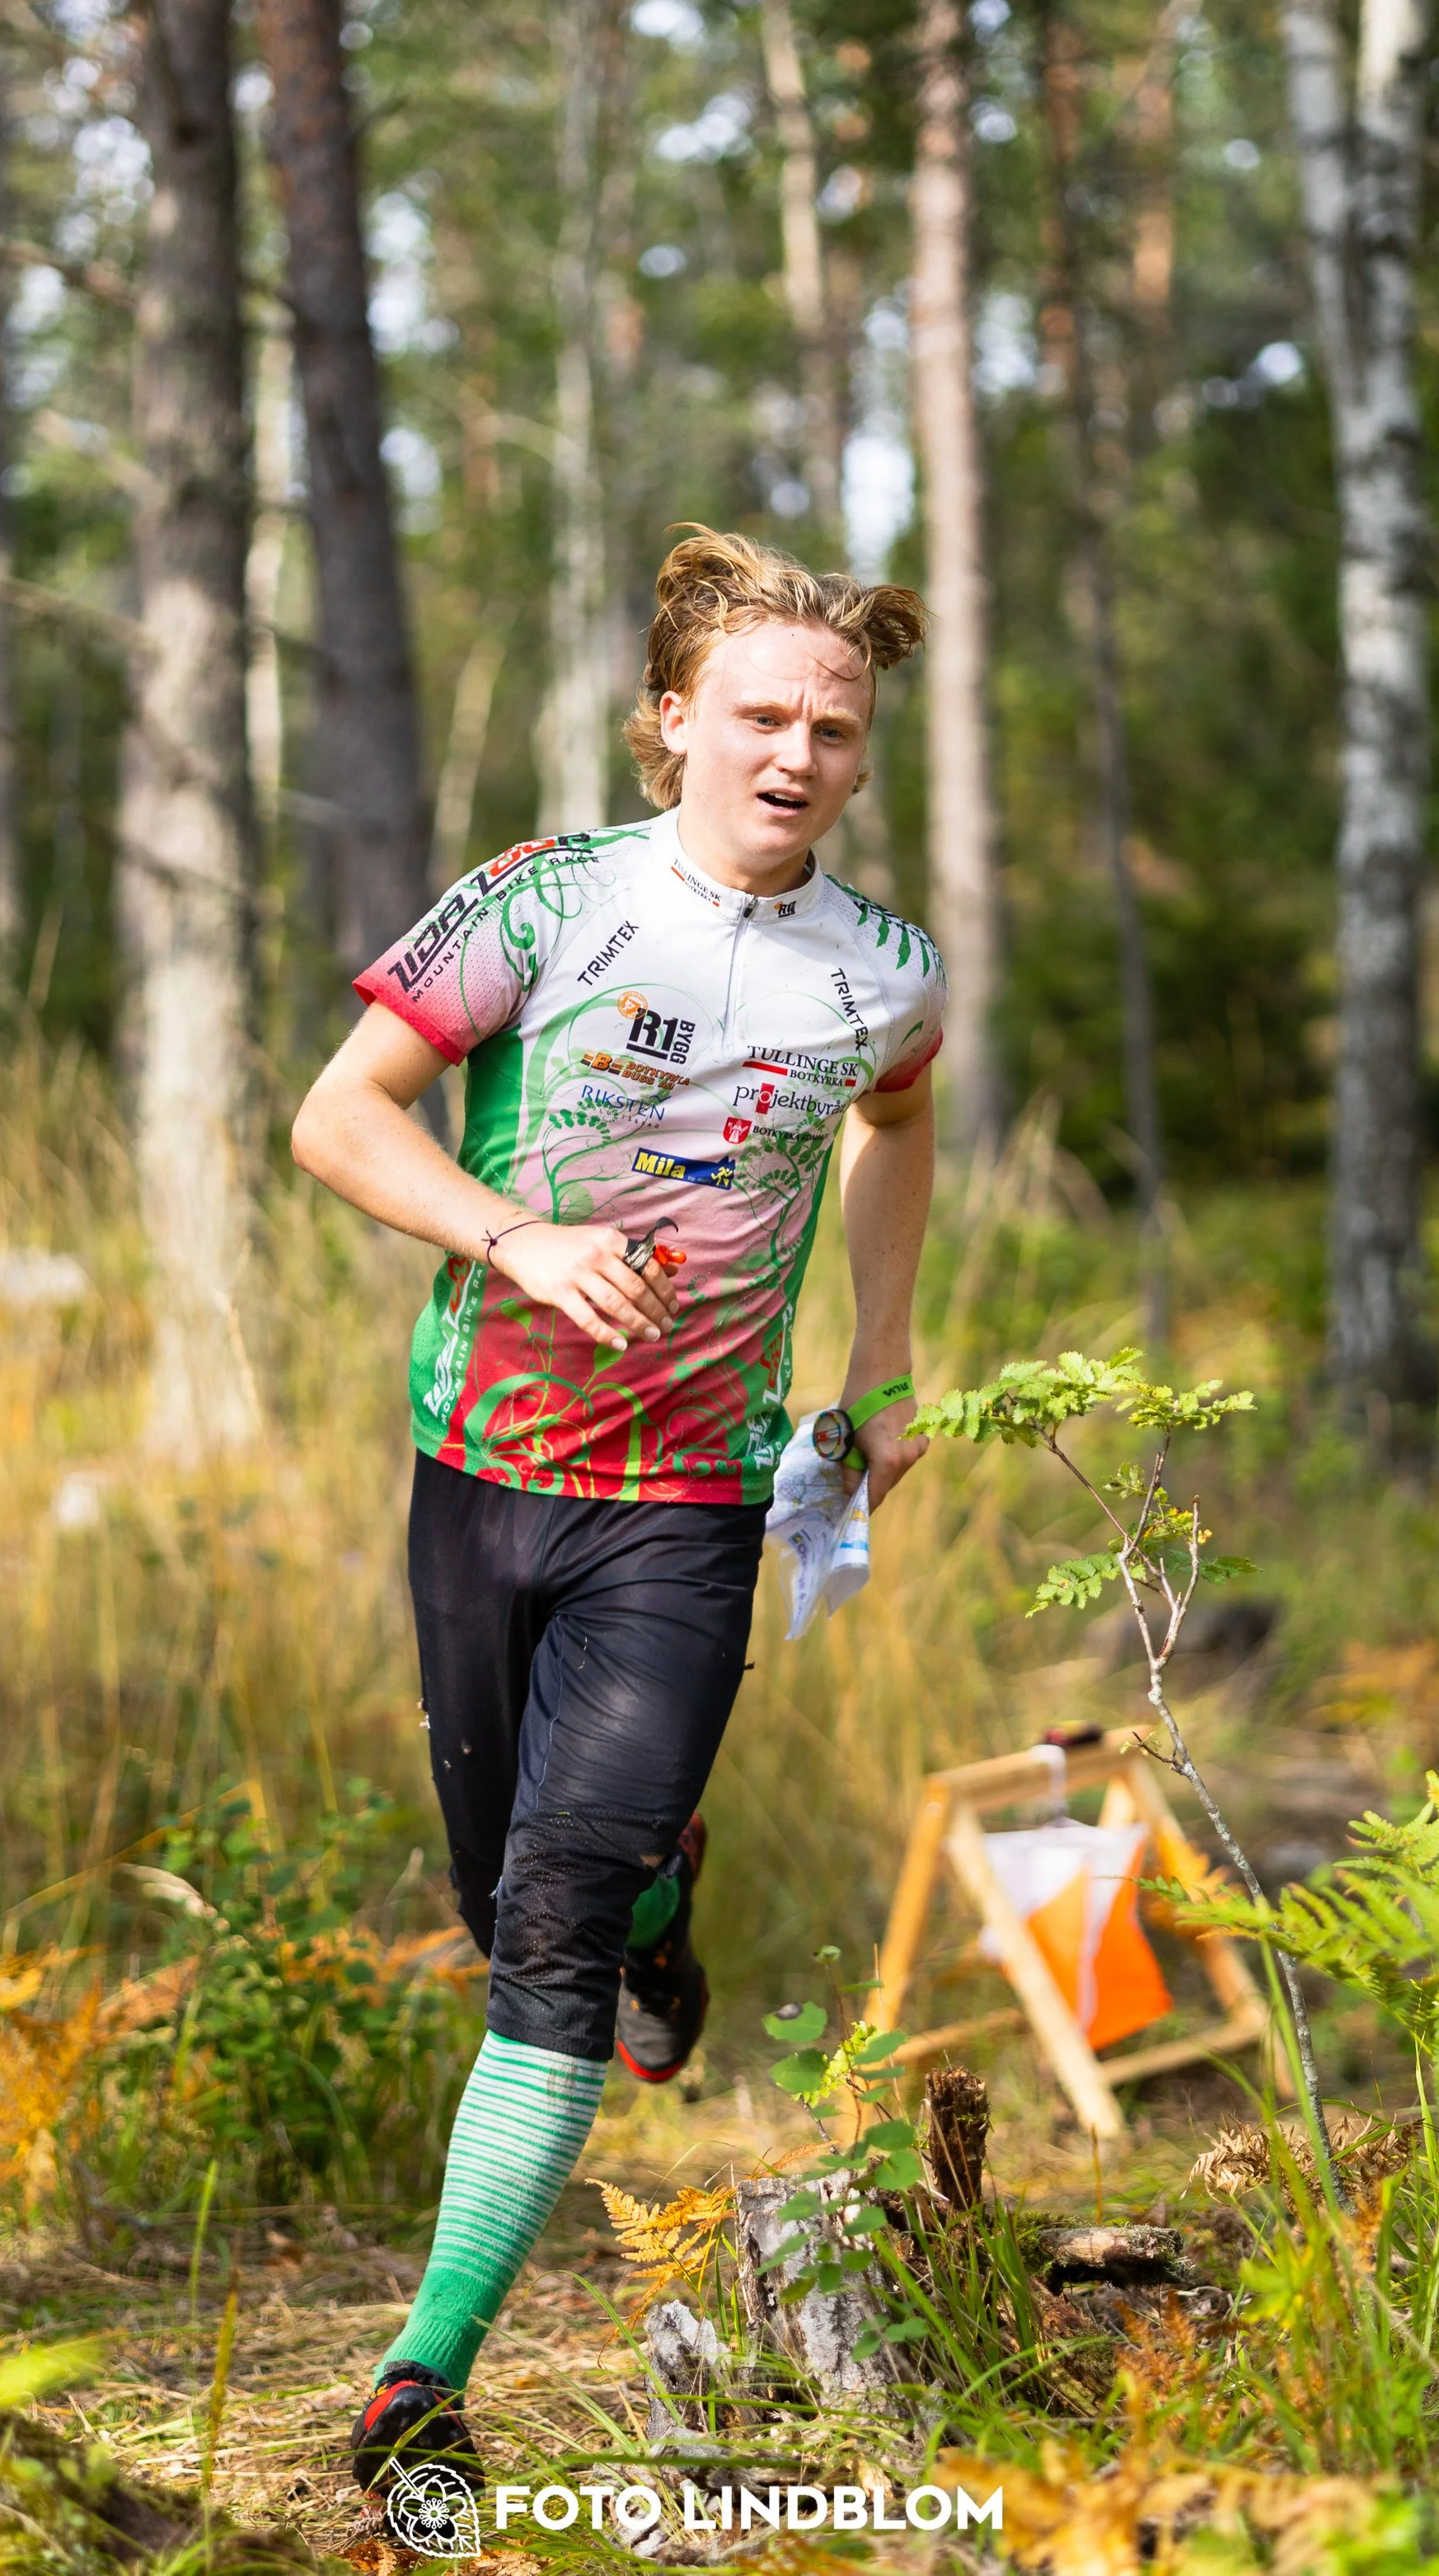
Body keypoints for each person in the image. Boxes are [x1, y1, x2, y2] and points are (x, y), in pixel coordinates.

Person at [290, 526, 945, 2489]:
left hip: (688, 1497)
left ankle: (423, 2374)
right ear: (672, 722)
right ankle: (662, 1894)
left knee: (541, 1938)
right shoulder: (541, 901)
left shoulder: (884, 969)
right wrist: (516, 1235)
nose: (795, 754)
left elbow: (895, 1126)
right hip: (481, 1468)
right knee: (508, 1884)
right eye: (757, 714)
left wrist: (882, 1356)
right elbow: (338, 1114)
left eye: (832, 728)